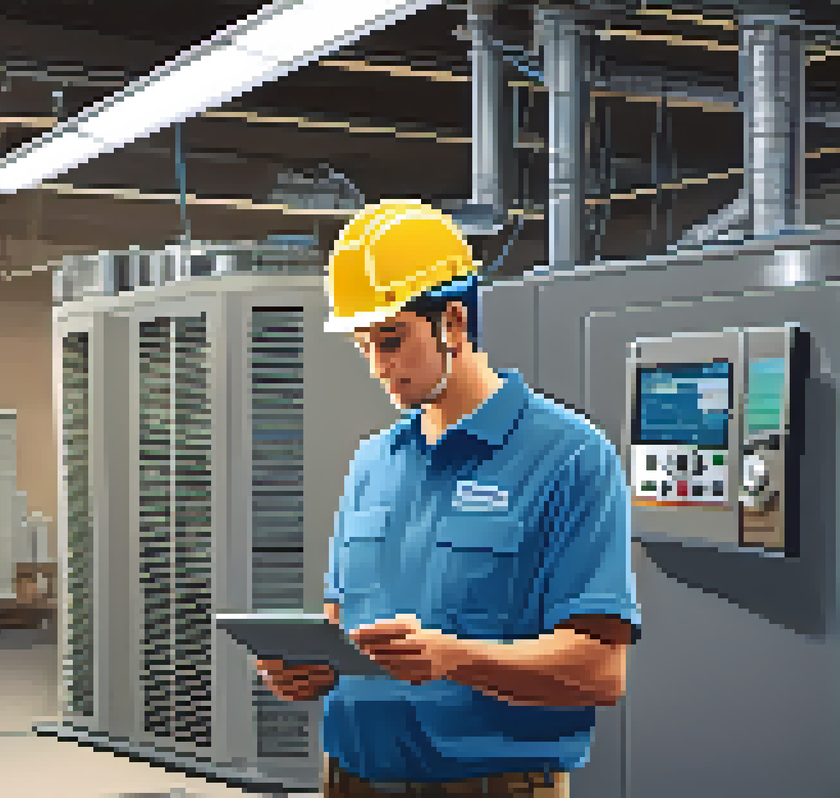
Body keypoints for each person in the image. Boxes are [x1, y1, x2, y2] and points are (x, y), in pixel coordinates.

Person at [257, 200, 640, 798]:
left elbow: (599, 670)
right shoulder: (372, 463)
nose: (380, 367)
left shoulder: (569, 458)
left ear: (453, 323)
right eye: (365, 347)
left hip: (491, 787)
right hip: (350, 780)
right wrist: (308, 671)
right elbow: (341, 625)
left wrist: (453, 658)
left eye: (392, 340)